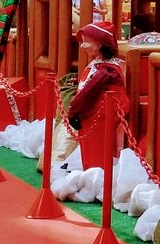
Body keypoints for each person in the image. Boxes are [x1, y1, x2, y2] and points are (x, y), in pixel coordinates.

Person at [40, 22, 128, 171]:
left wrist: (75, 111)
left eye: (87, 41)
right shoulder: (100, 65)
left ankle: (96, 176)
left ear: (101, 43)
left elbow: (89, 92)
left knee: (96, 153)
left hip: (96, 115)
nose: (82, 46)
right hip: (91, 115)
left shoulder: (106, 70)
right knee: (89, 151)